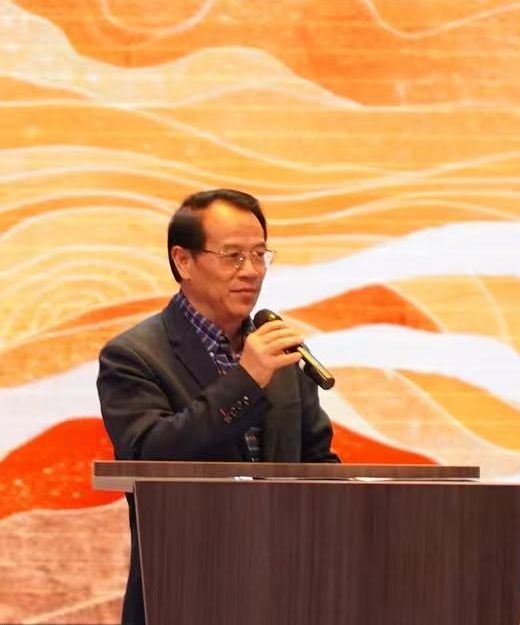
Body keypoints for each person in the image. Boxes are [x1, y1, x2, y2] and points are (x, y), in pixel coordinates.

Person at [97, 189, 339, 625]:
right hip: (184, 590)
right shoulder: (133, 356)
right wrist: (245, 381)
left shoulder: (280, 351)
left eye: (260, 254)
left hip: (286, 589)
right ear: (183, 261)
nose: (251, 271)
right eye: (232, 256)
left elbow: (318, 464)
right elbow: (149, 454)